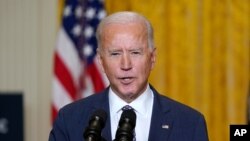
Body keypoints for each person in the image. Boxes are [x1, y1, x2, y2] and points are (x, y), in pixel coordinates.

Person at [49, 11, 209, 141]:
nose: (126, 65)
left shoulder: (190, 123)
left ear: (152, 58)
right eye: (115, 53)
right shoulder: (69, 120)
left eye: (135, 52)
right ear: (101, 60)